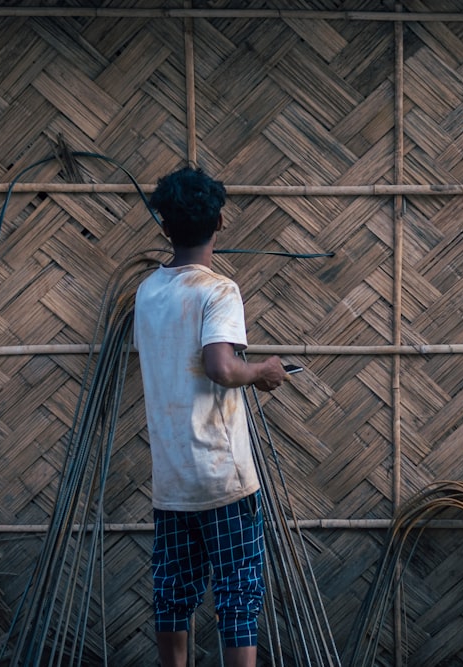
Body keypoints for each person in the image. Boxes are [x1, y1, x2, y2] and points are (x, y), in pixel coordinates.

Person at [134, 166, 289, 667]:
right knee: (237, 594)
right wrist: (262, 371)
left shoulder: (147, 292)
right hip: (223, 477)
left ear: (164, 227)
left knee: (173, 595)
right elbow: (221, 367)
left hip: (172, 477)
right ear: (221, 221)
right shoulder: (219, 291)